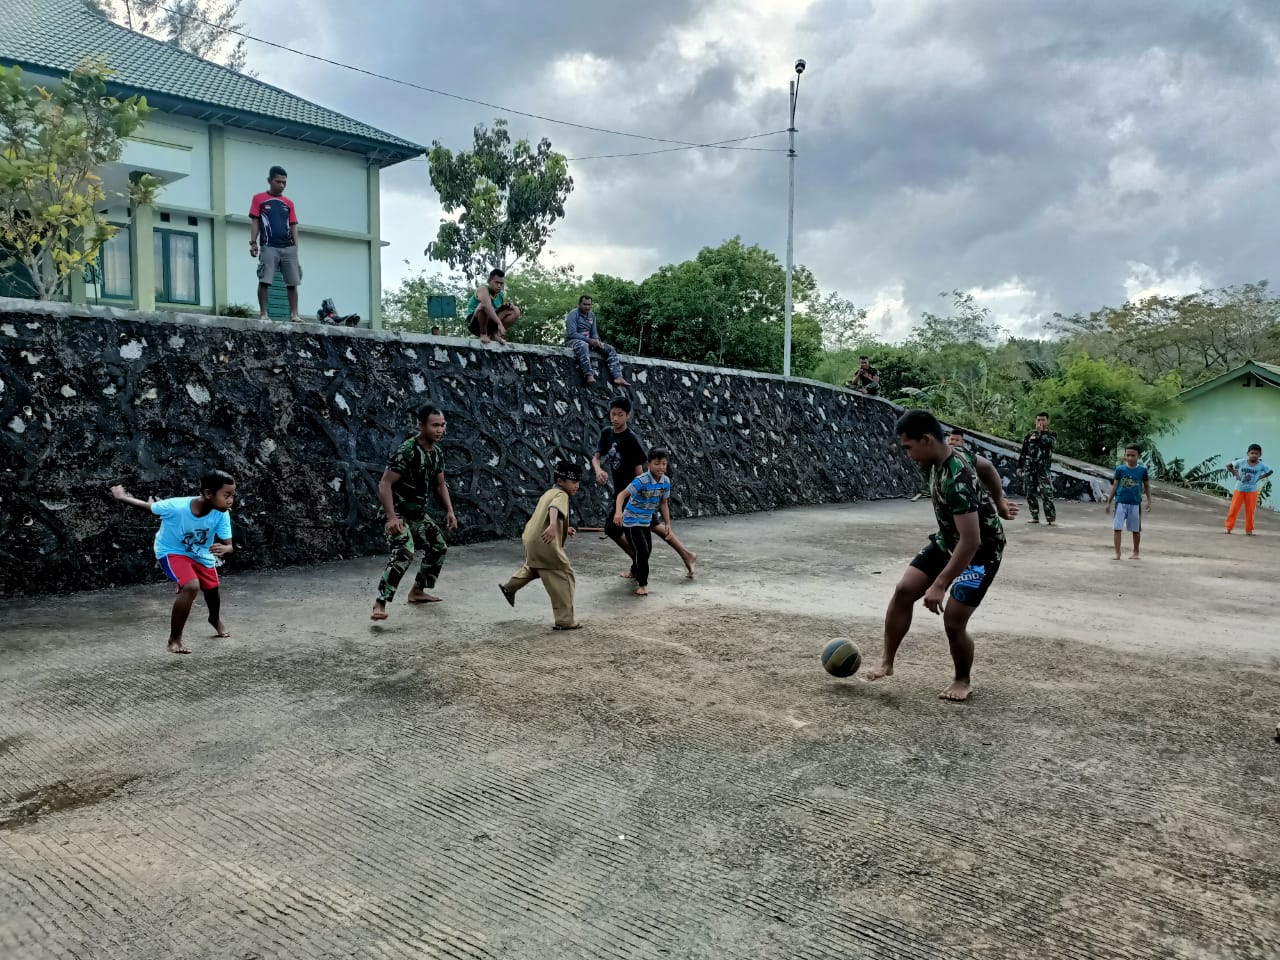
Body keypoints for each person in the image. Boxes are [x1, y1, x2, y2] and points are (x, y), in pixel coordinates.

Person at [867, 410, 1019, 701]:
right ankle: (887, 661)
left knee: (953, 619)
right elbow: (986, 466)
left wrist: (939, 583)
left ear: (926, 440)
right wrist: (999, 499)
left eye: (909, 448)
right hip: (949, 541)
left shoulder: (957, 479)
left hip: (980, 554)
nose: (908, 455)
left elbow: (972, 541)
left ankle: (962, 679)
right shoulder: (950, 454)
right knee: (904, 590)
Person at [110, 471, 236, 654]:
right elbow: (148, 507)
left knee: (212, 590)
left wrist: (226, 549)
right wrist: (122, 498)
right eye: (227, 495)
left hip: (200, 554)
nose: (231, 500)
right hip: (171, 551)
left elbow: (229, 546)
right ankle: (174, 640)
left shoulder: (221, 514)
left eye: (233, 495)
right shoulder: (176, 507)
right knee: (192, 586)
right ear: (209, 494)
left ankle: (214, 619)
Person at [592, 397, 697, 578]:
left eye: (620, 415)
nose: (615, 418)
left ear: (628, 416)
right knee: (650, 524)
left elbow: (640, 470)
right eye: (613, 414)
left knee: (617, 528)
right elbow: (596, 457)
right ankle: (685, 554)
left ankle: (638, 562)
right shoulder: (607, 433)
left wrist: (644, 493)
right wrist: (598, 470)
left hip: (633, 492)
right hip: (621, 490)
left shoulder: (631, 439)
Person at [372, 406, 459, 621]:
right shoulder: (407, 451)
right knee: (404, 550)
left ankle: (418, 591)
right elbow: (384, 484)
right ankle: (380, 602)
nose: (440, 430)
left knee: (438, 547)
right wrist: (392, 517)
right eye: (435, 425)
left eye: (443, 425)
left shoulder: (436, 453)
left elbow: (440, 485)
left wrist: (450, 510)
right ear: (421, 425)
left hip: (417, 514)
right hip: (397, 512)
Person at [499, 461, 583, 630]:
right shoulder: (561, 495)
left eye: (578, 482)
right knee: (563, 575)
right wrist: (553, 526)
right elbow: (554, 508)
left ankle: (510, 588)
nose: (577, 486)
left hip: (531, 538)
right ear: (560, 481)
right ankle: (565, 620)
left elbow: (547, 514)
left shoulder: (548, 493)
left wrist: (563, 529)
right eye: (573, 482)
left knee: (536, 567)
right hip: (545, 542)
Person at [613, 447, 674, 597]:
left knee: (646, 551)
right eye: (657, 463)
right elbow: (622, 495)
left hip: (645, 521)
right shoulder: (641, 481)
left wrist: (668, 524)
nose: (661, 467)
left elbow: (664, 503)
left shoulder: (665, 482)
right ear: (649, 464)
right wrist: (618, 512)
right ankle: (642, 584)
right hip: (631, 521)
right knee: (643, 551)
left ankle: (633, 570)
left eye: (664, 464)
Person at [249, 166, 302, 323]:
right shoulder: (259, 199)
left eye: (284, 183)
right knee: (265, 280)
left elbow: (293, 224)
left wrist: (296, 247)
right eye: (278, 181)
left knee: (292, 282)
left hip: (288, 246)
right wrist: (253, 242)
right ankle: (264, 313)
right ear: (269, 181)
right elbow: (255, 221)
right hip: (268, 245)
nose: (282, 185)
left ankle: (294, 314)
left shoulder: (288, 203)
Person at [566, 295, 628, 386]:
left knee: (609, 348)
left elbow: (594, 333)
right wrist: (589, 340)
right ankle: (588, 375)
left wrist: (596, 341)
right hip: (574, 341)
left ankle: (618, 376)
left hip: (589, 341)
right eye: (585, 304)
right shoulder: (573, 314)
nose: (587, 307)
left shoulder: (592, 315)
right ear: (579, 304)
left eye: (589, 305)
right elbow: (572, 333)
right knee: (583, 345)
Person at [1105, 445, 1152, 560]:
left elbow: (1147, 486)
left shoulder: (1142, 470)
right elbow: (1115, 485)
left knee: (1135, 529)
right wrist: (1109, 501)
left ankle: (1136, 552)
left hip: (1135, 503)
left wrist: (1149, 501)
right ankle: (1117, 553)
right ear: (1125, 456)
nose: (1130, 458)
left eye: (1133, 455)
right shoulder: (1120, 469)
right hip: (1120, 502)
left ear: (1138, 456)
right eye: (1128, 455)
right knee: (1117, 528)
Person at [1017, 412, 1057, 525]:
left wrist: (1040, 433)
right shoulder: (1030, 435)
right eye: (1038, 420)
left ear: (1047, 421)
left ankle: (1050, 518)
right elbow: (1024, 451)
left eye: (1043, 420)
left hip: (1043, 469)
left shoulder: (1051, 435)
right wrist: (1020, 466)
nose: (1040, 422)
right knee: (1030, 493)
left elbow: (1050, 444)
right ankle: (1034, 516)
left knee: (1046, 493)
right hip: (1030, 468)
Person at [1225, 444, 1273, 536]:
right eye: (1252, 453)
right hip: (1239, 489)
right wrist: (1236, 474)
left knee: (1250, 511)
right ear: (1248, 453)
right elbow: (1228, 466)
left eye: (1256, 453)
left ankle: (1249, 530)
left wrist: (1260, 477)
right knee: (1234, 509)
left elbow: (1270, 471)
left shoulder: (1261, 465)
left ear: (1260, 455)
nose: (1254, 455)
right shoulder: (1242, 462)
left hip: (1252, 491)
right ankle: (1229, 528)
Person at [465, 269, 521, 345]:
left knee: (515, 310)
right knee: (483, 306)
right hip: (474, 324)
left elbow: (499, 311)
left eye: (501, 283)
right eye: (496, 282)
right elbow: (486, 306)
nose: (499, 286)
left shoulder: (501, 295)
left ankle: (494, 335)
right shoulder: (483, 289)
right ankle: (483, 334)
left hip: (490, 323)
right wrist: (499, 324)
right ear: (489, 281)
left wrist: (506, 306)